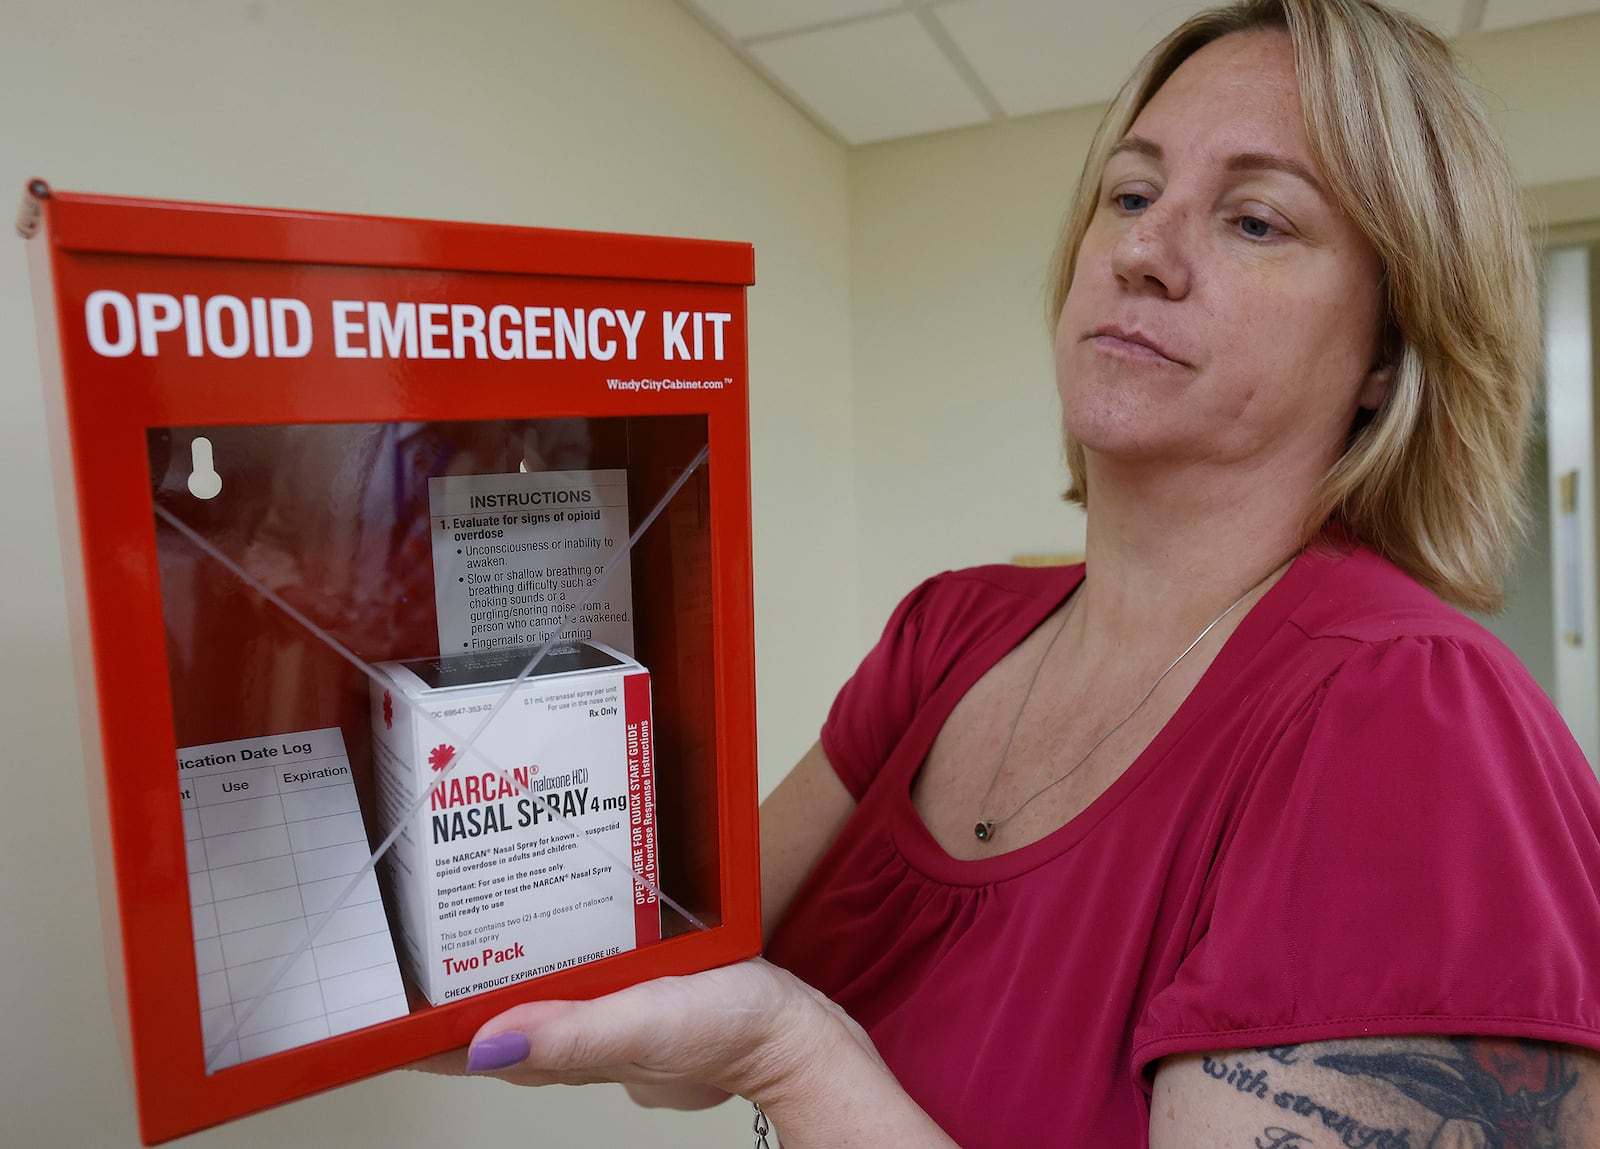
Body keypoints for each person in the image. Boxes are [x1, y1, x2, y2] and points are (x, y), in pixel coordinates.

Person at [430, 1, 1600, 1144]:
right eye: (1130, 195)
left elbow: (745, 1035)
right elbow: (675, 1008)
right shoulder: (948, 631)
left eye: (1255, 221)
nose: (1142, 251)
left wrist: (789, 1059)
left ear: (1389, 354)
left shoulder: (1407, 718)